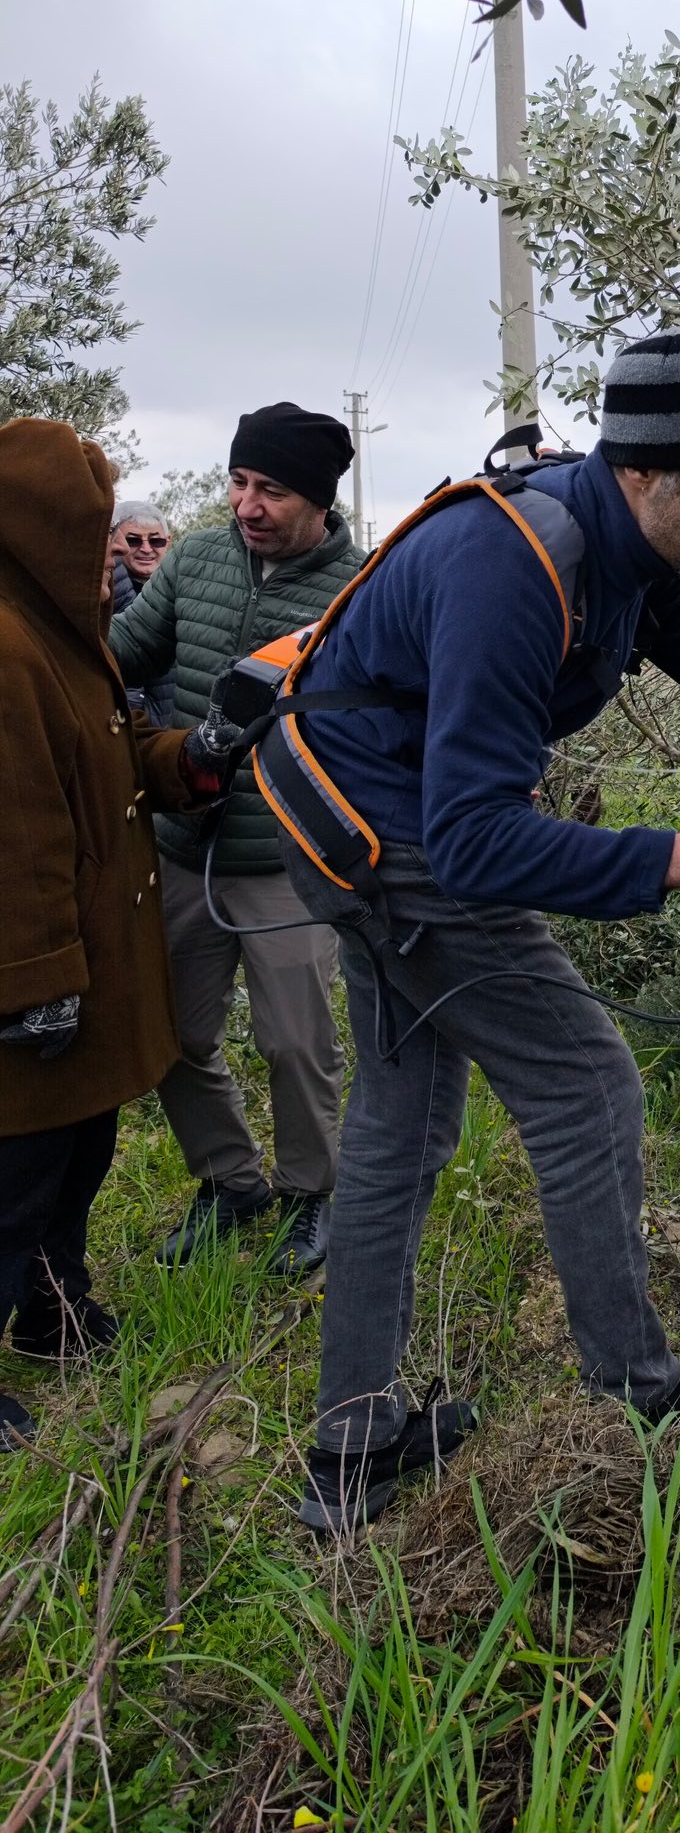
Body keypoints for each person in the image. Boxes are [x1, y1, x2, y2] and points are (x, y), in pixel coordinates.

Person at [279, 326, 680, 1533]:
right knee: (588, 1087)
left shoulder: (634, 551)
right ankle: (643, 1401)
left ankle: (350, 1448)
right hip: (387, 837)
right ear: (645, 471)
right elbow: (473, 843)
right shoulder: (520, 566)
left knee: (400, 1119)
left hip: (362, 810)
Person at [0, 419, 233, 1447]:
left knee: (77, 1152)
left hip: (87, 965)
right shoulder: (7, 646)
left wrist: (202, 751)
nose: (112, 551)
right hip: (39, 975)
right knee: (15, 1178)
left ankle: (57, 1311)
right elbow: (18, 837)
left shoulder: (62, 625)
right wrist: (33, 979)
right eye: (93, 530)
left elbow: (129, 743)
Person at [107, 403, 362, 1278]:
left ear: (319, 501)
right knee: (171, 1033)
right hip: (181, 845)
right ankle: (230, 1183)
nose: (247, 505)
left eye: (273, 490)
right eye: (240, 482)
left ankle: (309, 1196)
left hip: (289, 860)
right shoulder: (198, 558)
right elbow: (125, 658)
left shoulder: (356, 593)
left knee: (296, 1041)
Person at [109, 499, 176, 725]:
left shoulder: (183, 592)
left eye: (155, 540)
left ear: (168, 542)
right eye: (134, 540)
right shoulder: (106, 594)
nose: (146, 549)